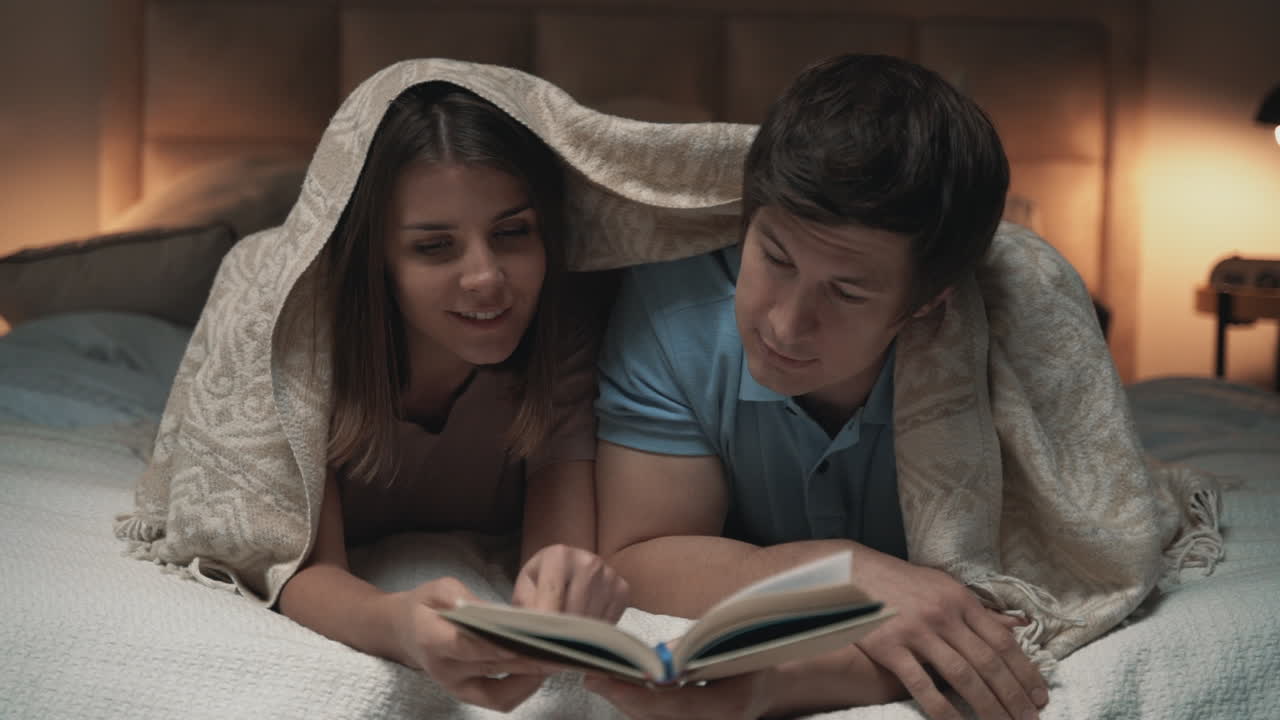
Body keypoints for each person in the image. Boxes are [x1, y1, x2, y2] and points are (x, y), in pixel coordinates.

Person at [588, 54, 1047, 720]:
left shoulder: (991, 340)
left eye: (847, 292)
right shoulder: (671, 314)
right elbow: (639, 558)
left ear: (926, 305)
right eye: (774, 258)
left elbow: (1012, 608)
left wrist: (779, 683)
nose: (785, 324)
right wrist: (840, 573)